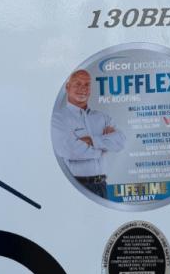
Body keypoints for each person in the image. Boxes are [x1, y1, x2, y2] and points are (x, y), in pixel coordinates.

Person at [52, 69, 126, 198]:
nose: (83, 88)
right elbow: (69, 150)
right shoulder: (58, 118)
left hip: (102, 186)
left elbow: (120, 142)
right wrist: (103, 147)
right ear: (67, 87)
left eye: (87, 84)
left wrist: (90, 141)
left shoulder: (103, 117)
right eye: (78, 84)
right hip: (75, 186)